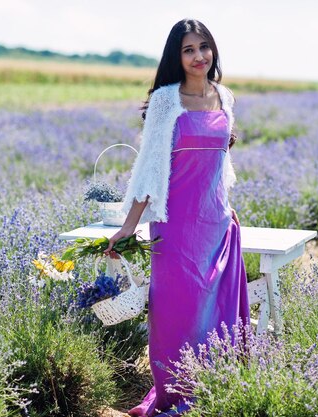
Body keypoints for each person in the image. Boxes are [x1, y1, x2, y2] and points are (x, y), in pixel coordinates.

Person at [104, 18, 250, 416]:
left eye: (204, 47)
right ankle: (175, 393)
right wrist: (129, 225)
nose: (199, 56)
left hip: (216, 223)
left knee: (213, 313)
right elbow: (149, 169)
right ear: (177, 56)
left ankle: (212, 387)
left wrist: (226, 204)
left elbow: (222, 162)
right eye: (188, 49)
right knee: (175, 312)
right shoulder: (166, 102)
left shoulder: (225, 97)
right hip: (176, 224)